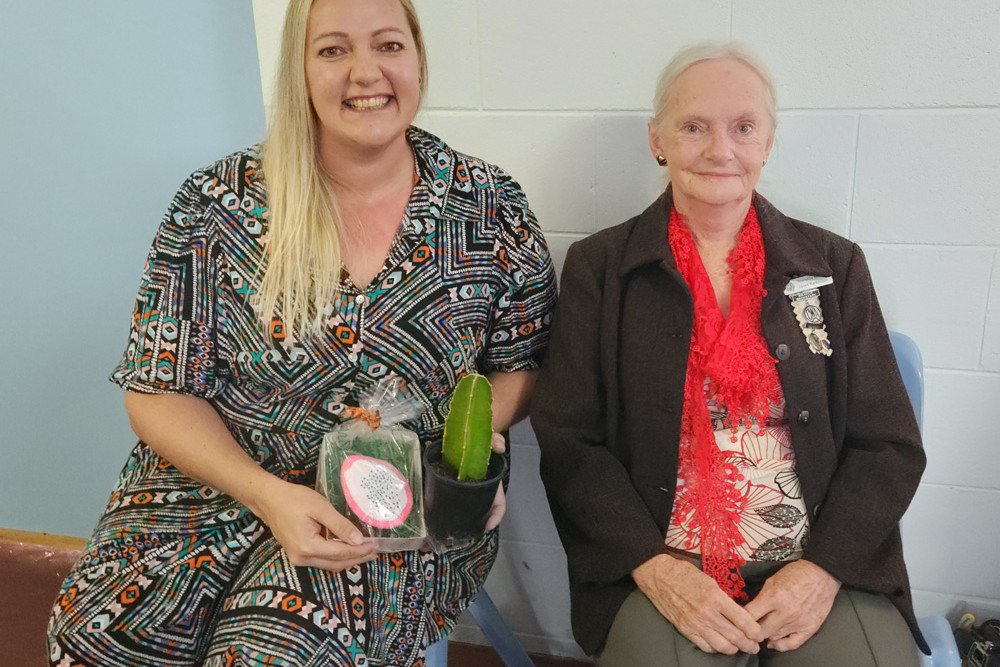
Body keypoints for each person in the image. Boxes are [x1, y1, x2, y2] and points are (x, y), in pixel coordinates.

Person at [47, 0, 556, 664]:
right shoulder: (217, 204)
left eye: (389, 46)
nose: (365, 72)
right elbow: (156, 391)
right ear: (299, 69)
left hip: (393, 502)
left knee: (273, 654)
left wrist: (472, 452)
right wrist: (267, 494)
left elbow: (522, 363)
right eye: (333, 50)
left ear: (419, 58)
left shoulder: (490, 207)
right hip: (217, 484)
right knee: (94, 640)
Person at [530, 42, 927, 666]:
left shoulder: (834, 267)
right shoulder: (599, 268)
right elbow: (569, 440)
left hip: (820, 558)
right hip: (664, 563)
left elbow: (889, 445)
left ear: (767, 143)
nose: (721, 150)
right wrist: (656, 569)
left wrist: (821, 571)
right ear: (657, 140)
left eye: (743, 127)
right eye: (693, 127)